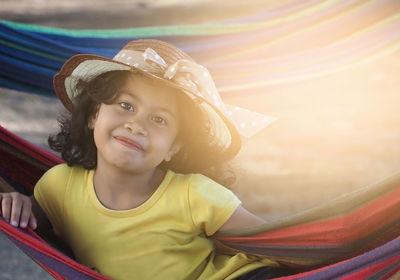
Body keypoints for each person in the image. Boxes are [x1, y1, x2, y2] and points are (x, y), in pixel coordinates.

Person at [0, 39, 288, 279]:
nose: (136, 125)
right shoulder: (58, 186)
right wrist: (18, 202)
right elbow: (31, 223)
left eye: (159, 119)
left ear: (174, 147)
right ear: (93, 115)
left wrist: (328, 253)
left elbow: (281, 241)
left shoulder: (194, 194)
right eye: (126, 105)